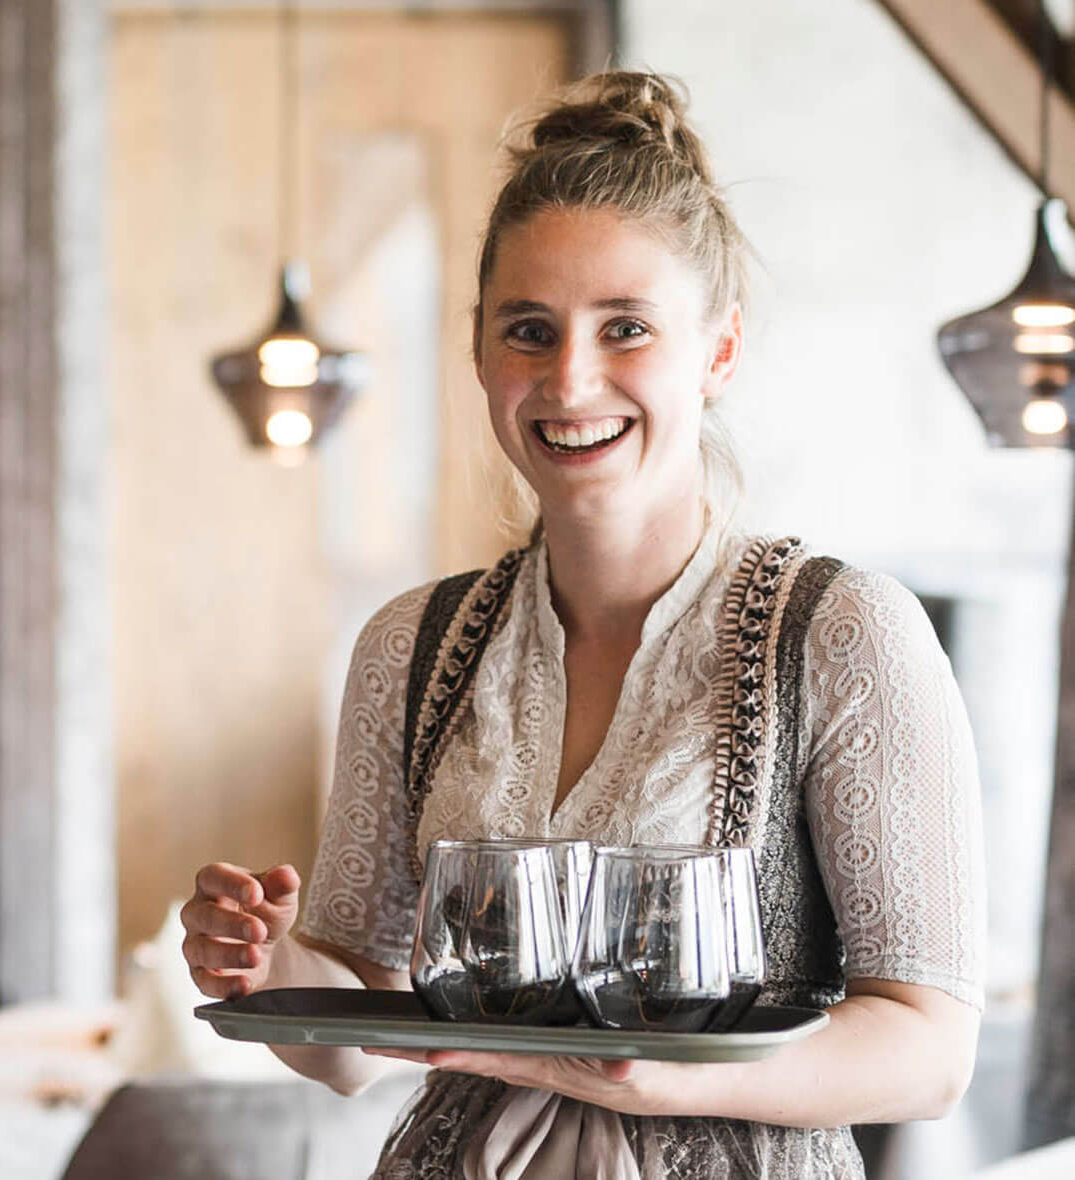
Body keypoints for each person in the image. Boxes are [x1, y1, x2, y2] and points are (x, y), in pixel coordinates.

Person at [179, 71, 985, 1179]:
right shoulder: (408, 646)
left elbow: (930, 1052)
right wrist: (270, 966)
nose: (569, 379)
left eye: (627, 328)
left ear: (719, 352)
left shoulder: (843, 633)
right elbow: (358, 1037)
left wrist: (656, 1078)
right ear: (479, 352)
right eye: (529, 329)